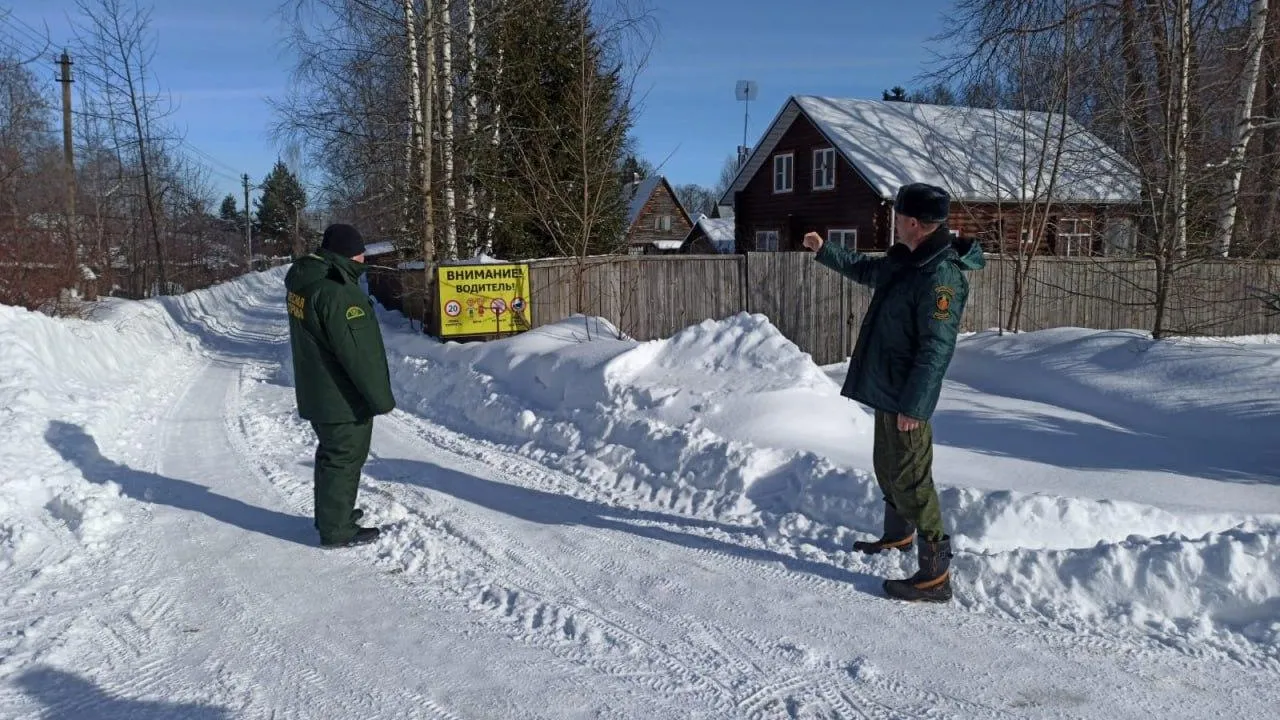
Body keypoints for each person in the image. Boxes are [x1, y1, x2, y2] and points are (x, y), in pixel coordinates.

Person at [803, 183, 984, 603]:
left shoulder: (941, 275)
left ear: (915, 223)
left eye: (898, 217)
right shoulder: (907, 260)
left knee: (912, 479)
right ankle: (898, 536)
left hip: (907, 396)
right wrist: (824, 249)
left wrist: (915, 407)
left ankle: (935, 574)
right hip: (889, 389)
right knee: (887, 466)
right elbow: (867, 271)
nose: (893, 223)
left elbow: (937, 347)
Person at [284, 223, 396, 548]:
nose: (364, 258)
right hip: (341, 397)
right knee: (344, 458)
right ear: (349, 254)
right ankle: (337, 530)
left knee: (331, 456)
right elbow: (361, 356)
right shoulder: (339, 293)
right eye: (361, 252)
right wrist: (381, 398)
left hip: (318, 390)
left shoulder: (305, 282)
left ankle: (332, 516)